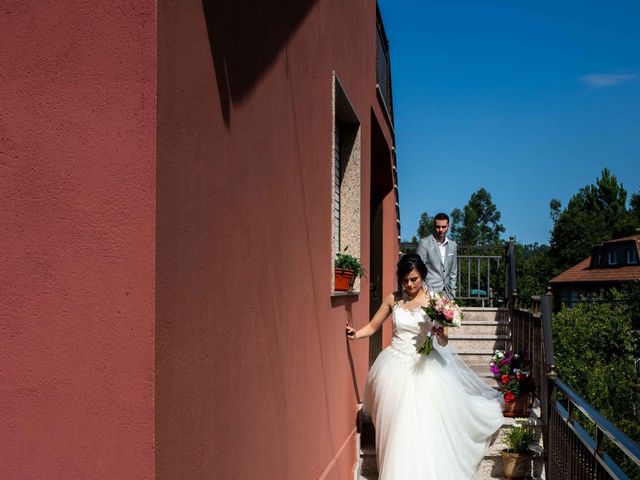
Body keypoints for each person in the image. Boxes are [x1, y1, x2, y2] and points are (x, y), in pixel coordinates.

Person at [345, 254, 502, 479]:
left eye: (414, 279)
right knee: (398, 421)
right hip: (395, 365)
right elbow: (372, 326)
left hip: (425, 365)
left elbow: (444, 341)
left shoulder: (435, 301)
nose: (409, 285)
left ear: (423, 277)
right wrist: (355, 334)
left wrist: (439, 334)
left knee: (425, 423)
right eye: (405, 280)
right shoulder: (393, 298)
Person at [416, 212, 458, 299]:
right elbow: (418, 269)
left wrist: (453, 292)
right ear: (434, 227)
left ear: (448, 226)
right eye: (438, 227)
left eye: (444, 227)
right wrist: (424, 290)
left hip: (447, 293)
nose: (441, 230)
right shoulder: (424, 243)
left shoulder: (453, 245)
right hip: (429, 292)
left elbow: (453, 272)